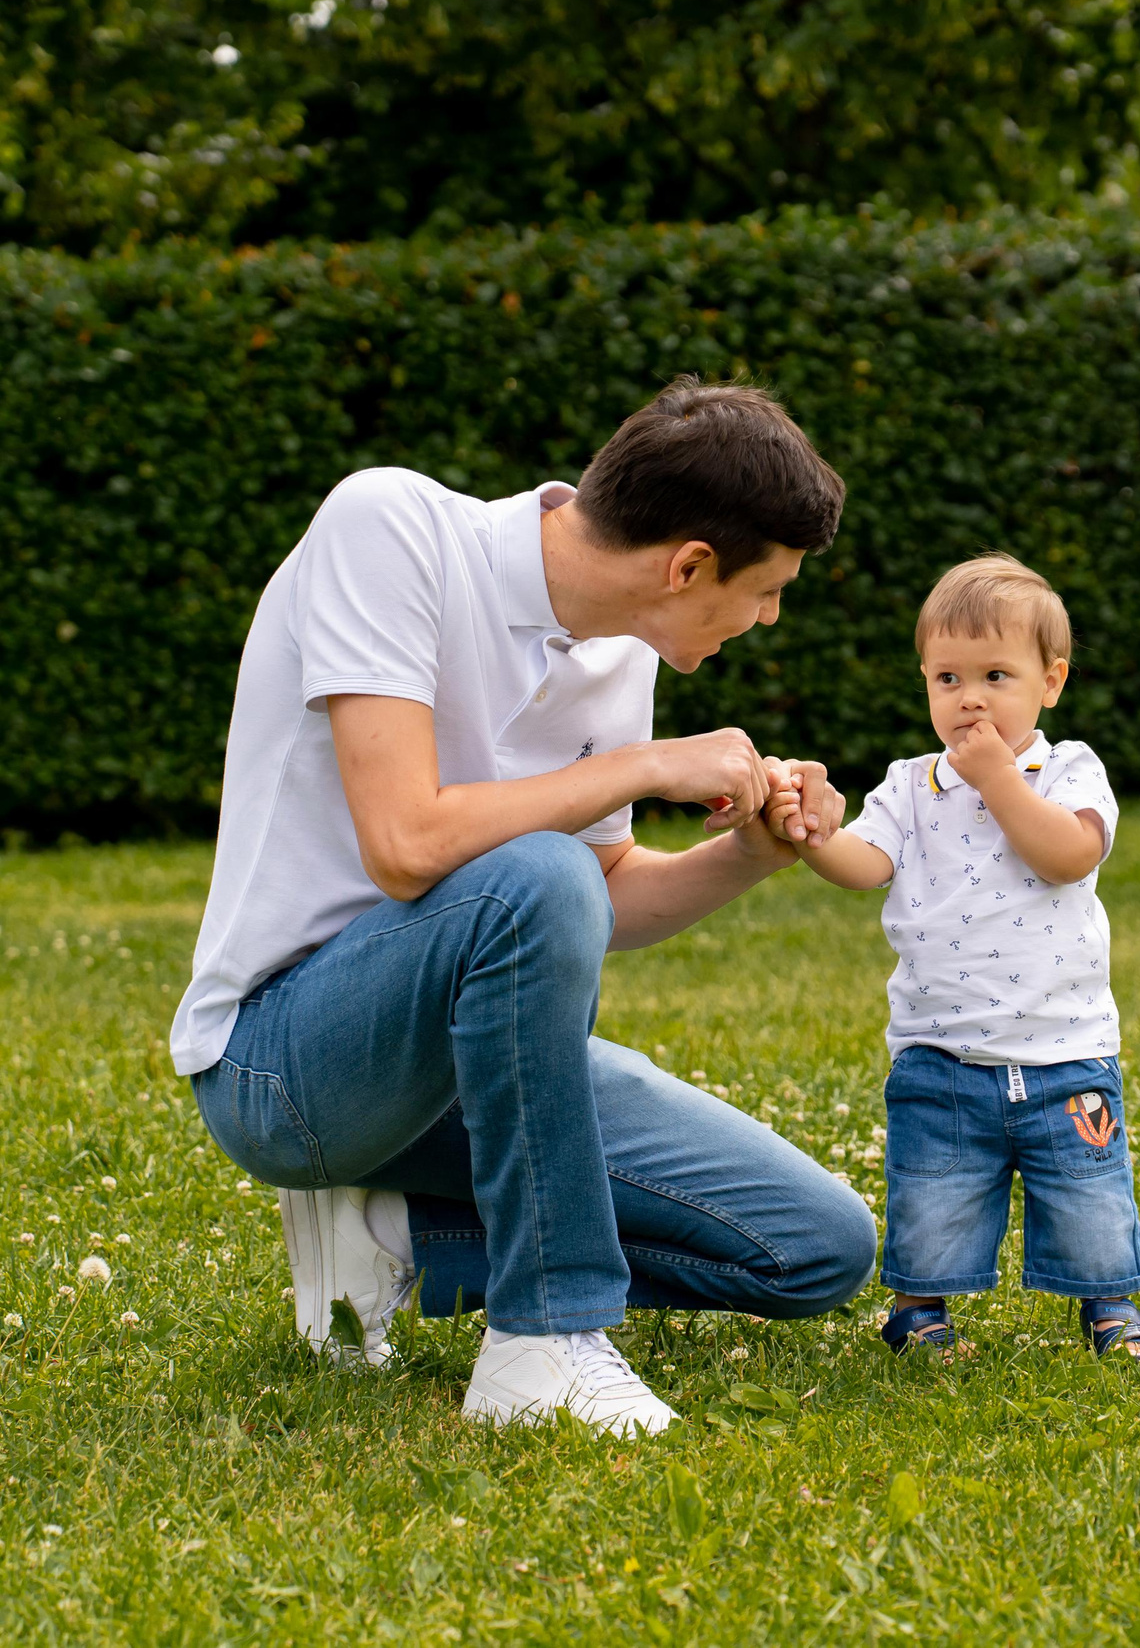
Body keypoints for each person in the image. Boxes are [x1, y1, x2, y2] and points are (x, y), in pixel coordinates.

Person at [170, 377, 874, 1437]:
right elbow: (408, 845)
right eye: (767, 589)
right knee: (533, 871)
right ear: (688, 565)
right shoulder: (390, 527)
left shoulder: (621, 654)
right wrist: (640, 766)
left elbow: (597, 902)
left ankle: (404, 1239)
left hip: (480, 1074)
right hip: (286, 1063)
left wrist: (751, 853)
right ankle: (542, 1343)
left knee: (814, 1244)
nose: (768, 617)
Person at [763, 555, 1140, 1360]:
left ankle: (1109, 1305)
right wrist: (809, 834)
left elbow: (1068, 855)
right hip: (939, 1049)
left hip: (1064, 1048)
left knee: (1087, 1195)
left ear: (1051, 681)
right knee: (933, 1189)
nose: (969, 696)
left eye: (995, 675)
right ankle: (920, 1311)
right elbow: (863, 863)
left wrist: (1001, 781)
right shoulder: (910, 786)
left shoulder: (1068, 769)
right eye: (948, 676)